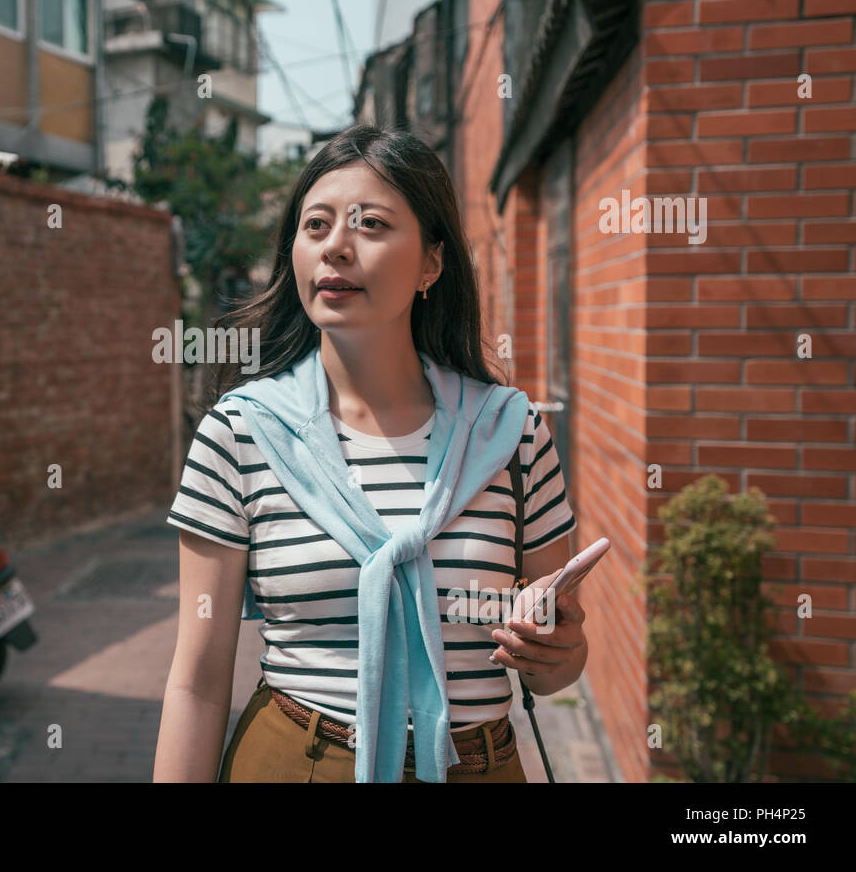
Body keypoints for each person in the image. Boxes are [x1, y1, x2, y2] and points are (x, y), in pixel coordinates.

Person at [152, 125, 587, 783]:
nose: (336, 248)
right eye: (316, 225)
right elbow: (198, 681)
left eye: (371, 225)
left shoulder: (511, 434)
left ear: (431, 264)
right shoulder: (241, 434)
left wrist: (556, 650)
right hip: (295, 762)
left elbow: (564, 663)